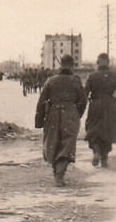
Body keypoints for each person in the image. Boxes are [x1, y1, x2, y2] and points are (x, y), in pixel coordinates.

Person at [35, 54, 87, 187]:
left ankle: (56, 171)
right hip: (70, 113)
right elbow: (83, 100)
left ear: (61, 65)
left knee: (53, 142)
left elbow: (41, 101)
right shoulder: (75, 81)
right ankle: (60, 173)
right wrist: (77, 114)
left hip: (53, 114)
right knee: (68, 143)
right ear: (72, 66)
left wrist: (39, 120)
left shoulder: (51, 80)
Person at [85, 52, 116, 167]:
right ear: (108, 62)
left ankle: (96, 151)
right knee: (108, 129)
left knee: (93, 128)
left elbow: (85, 93)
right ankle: (104, 158)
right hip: (111, 105)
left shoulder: (92, 76)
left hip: (96, 104)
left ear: (97, 62)